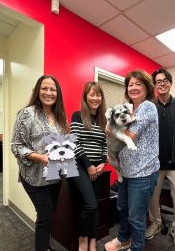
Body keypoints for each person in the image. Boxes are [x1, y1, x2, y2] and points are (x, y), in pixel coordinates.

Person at [11, 75, 68, 251]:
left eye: (53, 89)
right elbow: (15, 146)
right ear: (38, 90)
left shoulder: (60, 117)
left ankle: (45, 245)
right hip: (33, 176)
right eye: (45, 88)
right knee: (46, 215)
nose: (49, 93)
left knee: (49, 215)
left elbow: (62, 143)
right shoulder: (27, 114)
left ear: (57, 93)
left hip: (54, 176)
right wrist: (39, 157)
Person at [104, 70, 160, 251]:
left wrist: (109, 128)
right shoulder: (129, 109)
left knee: (136, 216)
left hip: (143, 171)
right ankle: (123, 239)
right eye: (130, 85)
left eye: (138, 84)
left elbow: (130, 135)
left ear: (147, 87)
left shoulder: (147, 107)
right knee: (122, 209)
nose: (134, 88)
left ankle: (136, 248)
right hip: (125, 170)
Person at [145, 68, 175, 249]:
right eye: (158, 81)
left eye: (165, 81)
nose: (162, 84)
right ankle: (156, 223)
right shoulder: (149, 106)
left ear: (170, 83)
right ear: (154, 85)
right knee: (152, 196)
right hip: (154, 163)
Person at [69, 81, 107, 251]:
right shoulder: (77, 116)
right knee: (90, 204)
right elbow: (74, 142)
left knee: (96, 204)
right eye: (92, 94)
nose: (95, 98)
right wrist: (89, 165)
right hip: (79, 166)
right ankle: (83, 240)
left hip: (97, 168)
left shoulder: (104, 119)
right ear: (86, 96)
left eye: (98, 94)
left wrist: (103, 162)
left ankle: (93, 240)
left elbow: (106, 144)